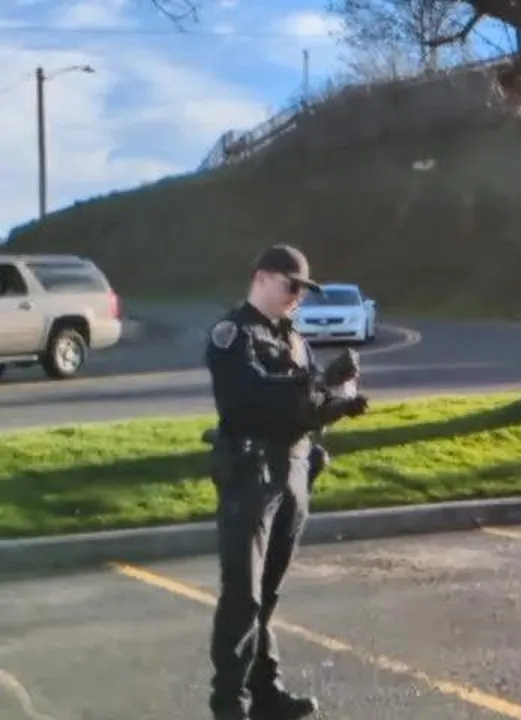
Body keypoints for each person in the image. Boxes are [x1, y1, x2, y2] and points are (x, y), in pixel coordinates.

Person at [204, 244, 370, 720]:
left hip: (293, 467)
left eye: (303, 290)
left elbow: (305, 408)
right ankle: (229, 705)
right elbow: (252, 395)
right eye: (291, 285)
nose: (298, 296)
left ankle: (265, 693)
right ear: (261, 278)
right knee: (244, 594)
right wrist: (315, 384)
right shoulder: (233, 334)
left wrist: (339, 401)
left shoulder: (294, 337)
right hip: (252, 473)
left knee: (268, 593)